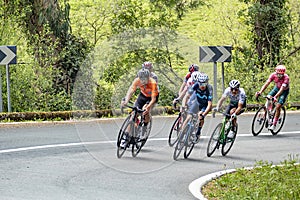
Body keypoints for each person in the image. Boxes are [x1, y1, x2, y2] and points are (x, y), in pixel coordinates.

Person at [120, 68, 159, 148]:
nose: (143, 81)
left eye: (145, 79)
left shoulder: (153, 83)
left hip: (151, 98)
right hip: (142, 96)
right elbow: (131, 91)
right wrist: (126, 101)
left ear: (148, 77)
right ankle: (126, 137)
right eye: (141, 79)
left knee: (145, 110)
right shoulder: (137, 80)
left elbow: (153, 99)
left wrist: (148, 107)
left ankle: (144, 127)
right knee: (133, 114)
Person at [255, 64, 289, 130]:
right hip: (276, 88)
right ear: (276, 73)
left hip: (284, 91)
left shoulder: (286, 78)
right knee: (268, 98)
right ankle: (268, 112)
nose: (279, 76)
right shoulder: (273, 75)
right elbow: (266, 84)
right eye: (278, 74)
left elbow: (282, 89)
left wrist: (275, 97)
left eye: (281, 75)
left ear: (283, 74)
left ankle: (274, 124)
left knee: (278, 106)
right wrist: (260, 92)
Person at [181, 73, 213, 143]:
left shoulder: (209, 88)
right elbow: (187, 96)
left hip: (204, 105)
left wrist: (203, 115)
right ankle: (182, 134)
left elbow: (209, 105)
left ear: (207, 83)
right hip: (197, 103)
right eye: (201, 84)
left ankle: (198, 132)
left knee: (200, 116)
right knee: (188, 117)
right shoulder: (195, 85)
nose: (202, 86)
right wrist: (183, 106)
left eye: (204, 84)